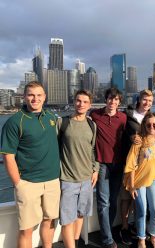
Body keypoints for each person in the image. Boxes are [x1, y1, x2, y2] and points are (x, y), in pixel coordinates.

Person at [0, 81, 60, 248]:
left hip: (53, 181)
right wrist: (18, 184)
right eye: (31, 95)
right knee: (27, 229)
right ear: (25, 97)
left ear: (44, 97)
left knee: (50, 221)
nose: (35, 99)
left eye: (39, 95)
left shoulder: (51, 117)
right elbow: (8, 156)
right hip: (28, 183)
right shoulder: (15, 122)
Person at [58, 90, 99, 248]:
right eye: (78, 101)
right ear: (74, 101)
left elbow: (93, 150)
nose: (81, 104)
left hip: (87, 179)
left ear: (90, 105)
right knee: (67, 220)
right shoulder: (63, 123)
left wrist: (95, 169)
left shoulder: (92, 125)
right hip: (68, 179)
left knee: (81, 214)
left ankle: (75, 242)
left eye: (85, 102)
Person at [90, 88, 127, 248]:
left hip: (118, 164)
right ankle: (107, 239)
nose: (113, 102)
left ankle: (108, 231)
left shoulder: (123, 118)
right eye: (110, 99)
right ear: (106, 100)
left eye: (116, 100)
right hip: (103, 164)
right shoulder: (95, 115)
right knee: (103, 202)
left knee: (112, 200)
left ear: (119, 102)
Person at [124, 112, 155, 248]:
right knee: (142, 210)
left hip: (153, 180)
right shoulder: (138, 141)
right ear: (144, 125)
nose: (152, 127)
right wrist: (131, 186)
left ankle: (153, 236)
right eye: (149, 124)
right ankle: (141, 238)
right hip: (138, 182)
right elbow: (130, 164)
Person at [120, 89, 154, 244]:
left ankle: (135, 225)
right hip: (130, 162)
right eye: (145, 100)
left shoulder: (151, 117)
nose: (147, 103)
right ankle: (125, 227)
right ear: (139, 99)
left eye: (150, 101)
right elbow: (120, 133)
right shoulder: (128, 116)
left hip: (145, 166)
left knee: (138, 199)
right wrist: (130, 136)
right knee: (127, 197)